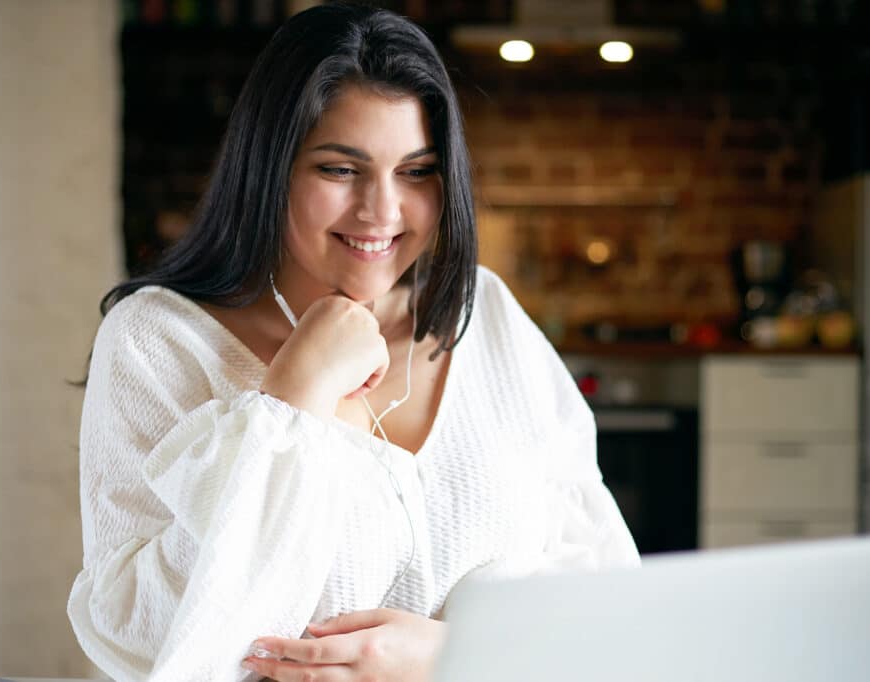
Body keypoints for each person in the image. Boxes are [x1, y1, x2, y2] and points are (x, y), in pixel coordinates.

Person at [67, 4, 640, 681]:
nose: (383, 212)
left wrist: (452, 657)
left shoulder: (482, 313)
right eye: (341, 170)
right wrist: (292, 397)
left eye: (417, 171)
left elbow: (602, 594)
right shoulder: (158, 342)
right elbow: (146, 638)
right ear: (270, 166)